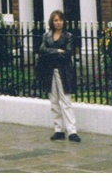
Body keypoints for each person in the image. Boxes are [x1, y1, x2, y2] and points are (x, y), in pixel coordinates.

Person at [37, 9, 80, 143]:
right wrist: (56, 50)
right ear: (52, 22)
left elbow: (67, 54)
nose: (59, 23)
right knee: (54, 102)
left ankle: (72, 131)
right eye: (56, 20)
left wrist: (51, 53)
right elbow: (41, 50)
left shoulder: (68, 36)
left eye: (60, 20)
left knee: (66, 101)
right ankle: (58, 130)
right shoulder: (47, 36)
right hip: (50, 72)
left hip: (63, 71)